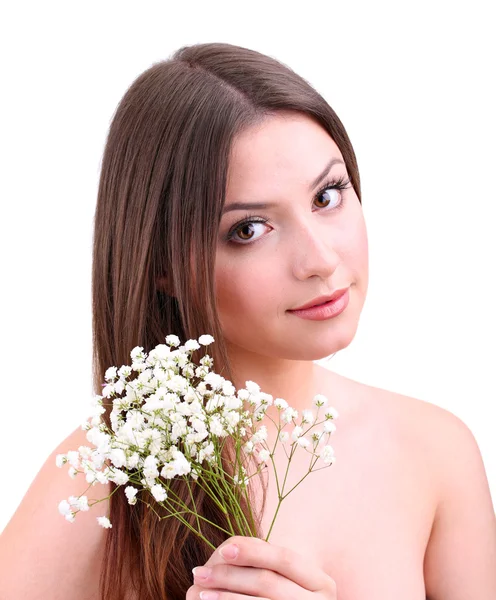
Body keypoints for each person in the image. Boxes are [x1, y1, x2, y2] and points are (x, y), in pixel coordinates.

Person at [1, 41, 495, 600]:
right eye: (249, 229)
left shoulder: (435, 452)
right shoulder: (107, 480)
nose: (321, 260)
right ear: (163, 266)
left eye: (328, 195)